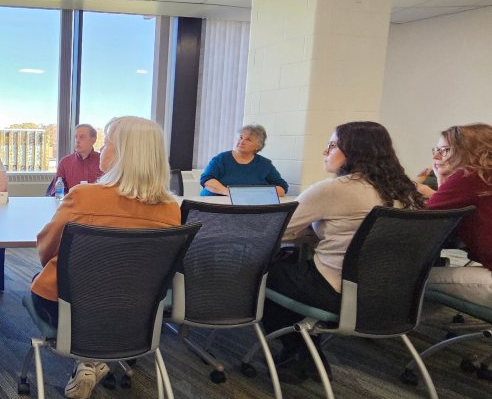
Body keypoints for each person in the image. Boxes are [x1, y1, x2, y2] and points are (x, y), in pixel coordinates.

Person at [261, 121, 424, 383]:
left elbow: (276, 230)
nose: (325, 151)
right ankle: (303, 350)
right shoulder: (405, 192)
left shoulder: (335, 189)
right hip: (392, 298)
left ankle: (300, 352)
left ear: (354, 151)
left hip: (337, 293)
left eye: (332, 145)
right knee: (294, 269)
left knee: (263, 272)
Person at [32, 116, 180, 399]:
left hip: (73, 310)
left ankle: (88, 359)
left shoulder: (84, 196)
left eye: (108, 143)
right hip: (137, 313)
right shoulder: (171, 209)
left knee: (45, 285)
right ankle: (94, 358)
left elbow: (47, 251)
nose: (103, 149)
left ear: (125, 154)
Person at [416, 124, 492, 304]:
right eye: (436, 150)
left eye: (444, 151)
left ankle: (395, 327)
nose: (435, 157)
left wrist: (442, 181)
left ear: (468, 150)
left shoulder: (468, 176)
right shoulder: (483, 176)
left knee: (410, 278)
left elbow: (422, 222)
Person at [199, 124, 288, 197]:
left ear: (258, 146)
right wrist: (230, 193)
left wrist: (254, 194)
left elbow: (282, 188)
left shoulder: (265, 164)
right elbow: (207, 179)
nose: (241, 142)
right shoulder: (221, 159)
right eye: (241, 137)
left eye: (248, 140)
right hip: (214, 205)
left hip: (248, 206)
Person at [46, 124, 103, 196]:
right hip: (70, 204)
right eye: (76, 137)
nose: (77, 140)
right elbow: (57, 191)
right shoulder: (65, 162)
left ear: (93, 140)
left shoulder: (104, 162)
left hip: (97, 205)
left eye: (82, 137)